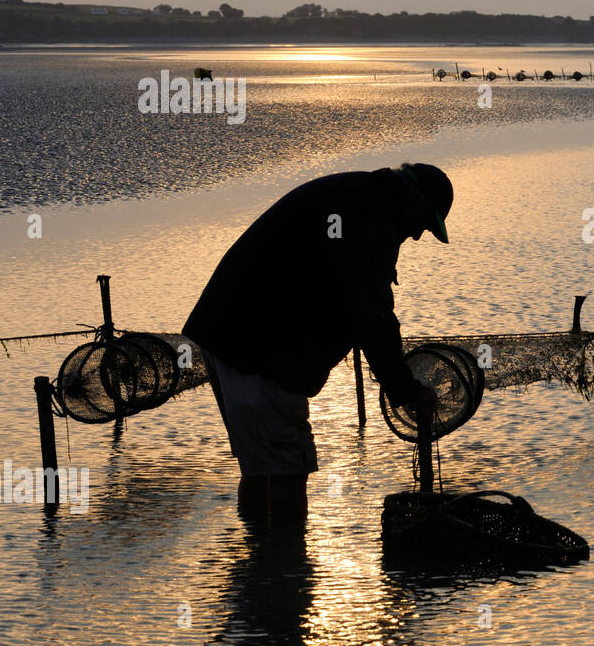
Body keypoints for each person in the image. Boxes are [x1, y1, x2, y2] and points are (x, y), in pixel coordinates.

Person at [184, 163, 452, 517]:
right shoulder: (369, 217)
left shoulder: (362, 197)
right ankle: (286, 564)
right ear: (412, 198)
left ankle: (258, 561)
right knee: (288, 468)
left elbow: (364, 305)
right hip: (259, 352)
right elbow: (372, 315)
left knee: (262, 466)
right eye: (425, 222)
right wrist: (405, 390)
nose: (419, 234)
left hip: (223, 332)